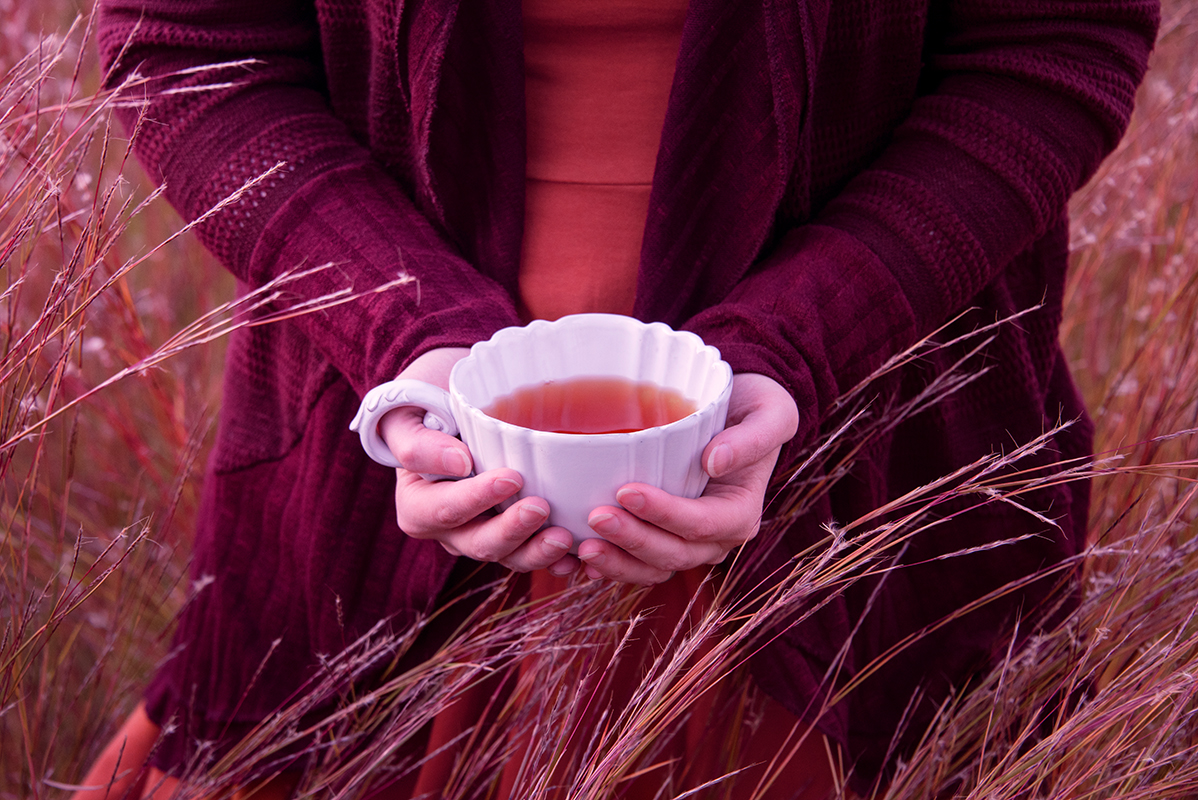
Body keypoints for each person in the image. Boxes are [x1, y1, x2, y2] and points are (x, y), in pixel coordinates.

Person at [75, 0, 1158, 796]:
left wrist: (796, 347)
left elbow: (1053, 41)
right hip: (386, 466)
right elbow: (190, 49)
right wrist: (404, 333)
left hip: (865, 467)